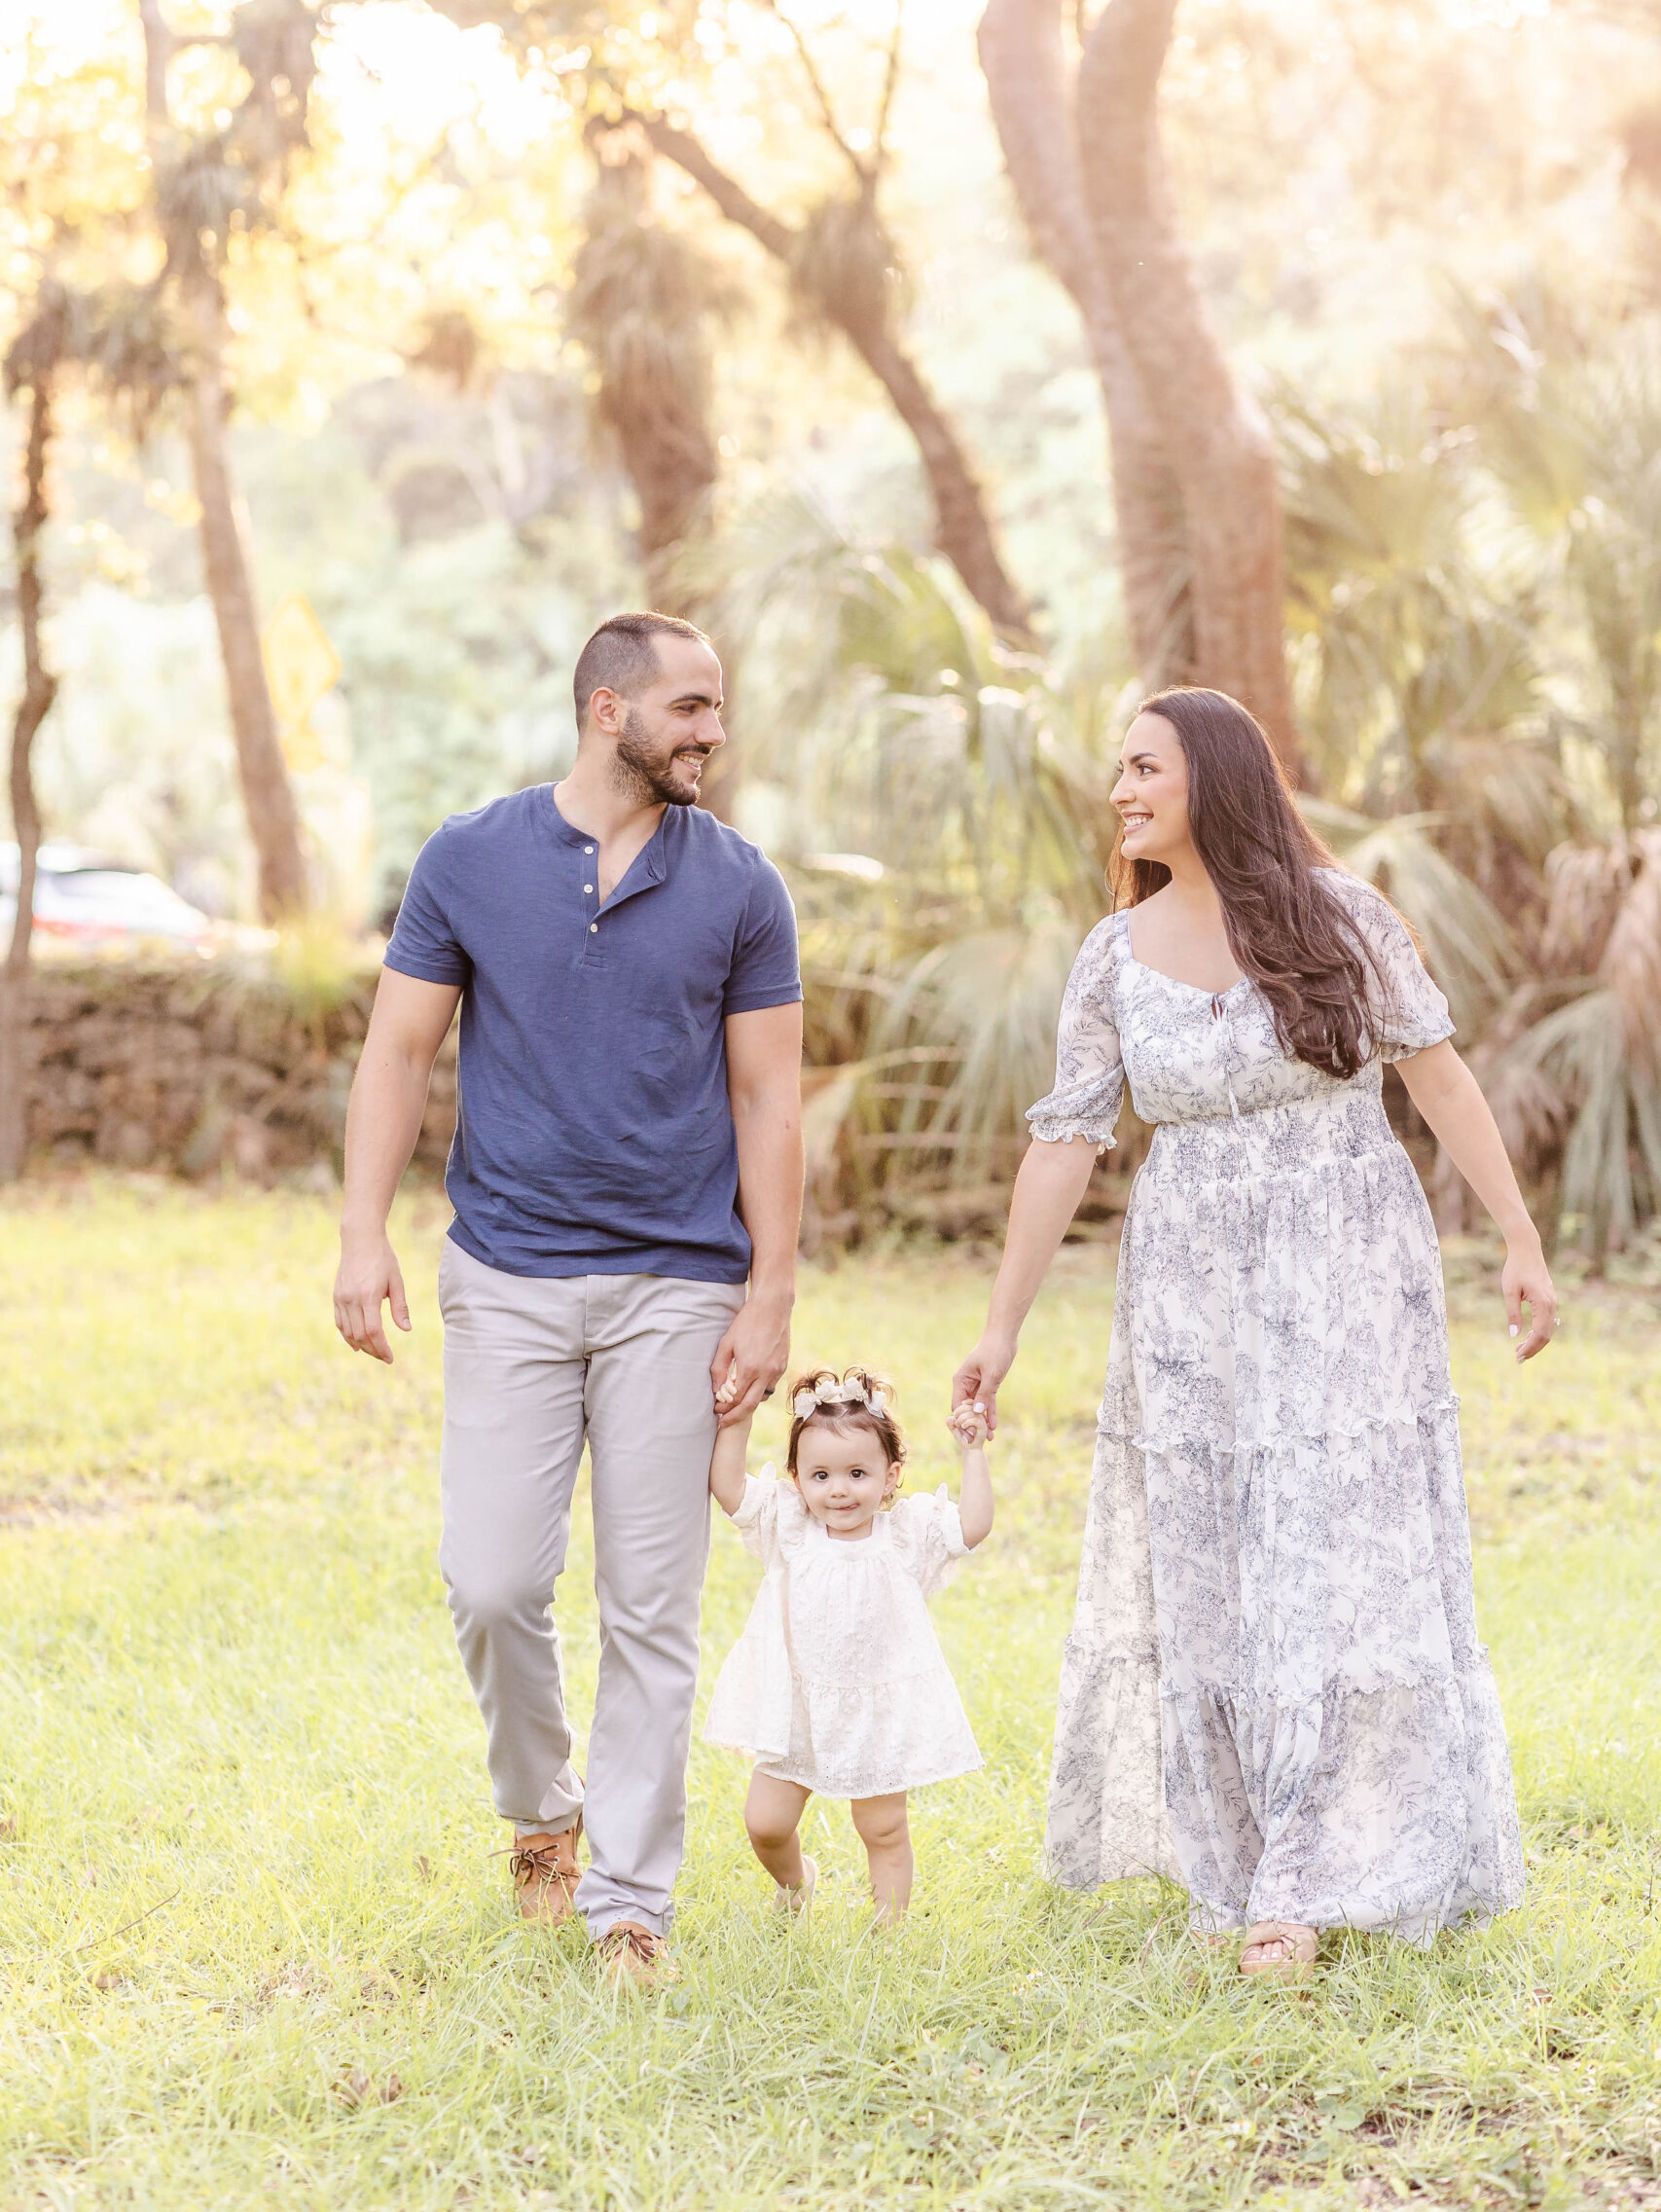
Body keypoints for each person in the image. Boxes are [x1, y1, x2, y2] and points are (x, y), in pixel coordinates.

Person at [952, 686, 1556, 1978]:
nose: (1117, 791)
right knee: (1212, 1559)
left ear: (1213, 776)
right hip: (1183, 1289)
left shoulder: (1340, 917)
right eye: (1115, 770)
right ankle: (1234, 1866)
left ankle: (1314, 1871)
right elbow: (1064, 1142)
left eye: (1141, 766)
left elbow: (1433, 1070)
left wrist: (1515, 1236)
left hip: (1342, 1271)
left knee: (1334, 1556)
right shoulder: (1109, 955)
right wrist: (999, 1332)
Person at [332, 611, 805, 1987]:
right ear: (609, 709)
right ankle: (544, 1815)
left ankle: (626, 1906)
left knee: (651, 1606)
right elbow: (396, 1053)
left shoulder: (739, 886)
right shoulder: (470, 859)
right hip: (509, 1276)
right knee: (490, 1581)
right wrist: (361, 1232)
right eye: (691, 706)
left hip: (677, 1283)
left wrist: (768, 1288)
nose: (713, 729)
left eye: (718, 706)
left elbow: (769, 1097)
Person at [704, 1367, 993, 1921]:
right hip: (797, 1709)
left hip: (876, 1711)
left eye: (858, 1473)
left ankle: (889, 1930)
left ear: (890, 1477)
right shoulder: (789, 1528)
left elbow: (972, 1527)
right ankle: (796, 1882)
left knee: (882, 1828)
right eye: (820, 1475)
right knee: (765, 1824)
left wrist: (972, 1455)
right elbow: (731, 1491)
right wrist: (737, 1419)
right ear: (796, 1479)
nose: (839, 1489)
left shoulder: (905, 1536)